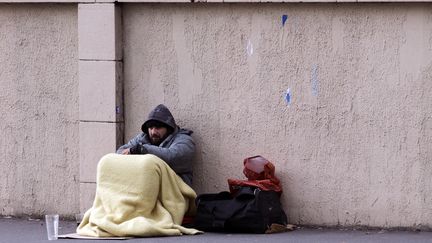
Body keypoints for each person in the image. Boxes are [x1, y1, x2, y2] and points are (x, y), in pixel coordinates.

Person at [116, 104, 195, 186]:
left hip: (175, 190)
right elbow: (120, 152)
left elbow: (173, 157)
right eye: (150, 127)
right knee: (107, 161)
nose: (153, 132)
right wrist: (134, 151)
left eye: (158, 127)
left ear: (168, 128)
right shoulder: (142, 137)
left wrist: (142, 150)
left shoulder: (184, 139)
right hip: (144, 187)